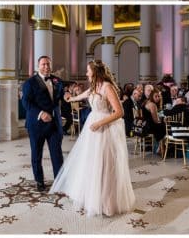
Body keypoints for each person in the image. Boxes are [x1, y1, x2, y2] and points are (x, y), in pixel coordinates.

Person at [51, 60, 135, 217]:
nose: (86, 73)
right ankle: (92, 197)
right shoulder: (94, 87)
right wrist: (69, 98)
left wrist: (99, 123)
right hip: (93, 128)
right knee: (92, 162)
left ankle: (107, 202)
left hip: (105, 128)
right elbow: (81, 96)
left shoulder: (107, 87)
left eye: (88, 71)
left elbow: (119, 112)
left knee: (105, 164)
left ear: (95, 72)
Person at [21, 55, 65, 191]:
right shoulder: (30, 83)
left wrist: (67, 95)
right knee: (37, 153)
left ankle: (60, 180)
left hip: (54, 124)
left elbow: (61, 94)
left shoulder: (57, 80)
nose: (46, 67)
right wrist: (41, 113)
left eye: (48, 64)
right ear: (38, 66)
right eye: (43, 64)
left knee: (57, 154)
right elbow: (26, 102)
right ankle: (39, 181)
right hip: (36, 125)